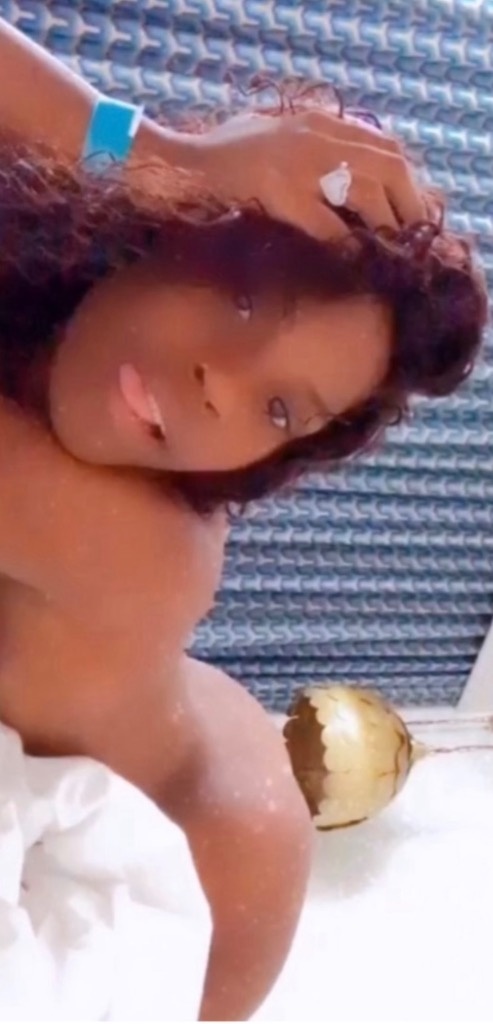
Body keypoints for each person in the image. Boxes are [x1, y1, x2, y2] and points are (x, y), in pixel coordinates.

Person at [0, 17, 487, 1022]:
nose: (218, 383)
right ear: (168, 225)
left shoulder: (131, 543)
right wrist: (160, 152)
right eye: (243, 297)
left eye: (276, 411)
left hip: (194, 868)